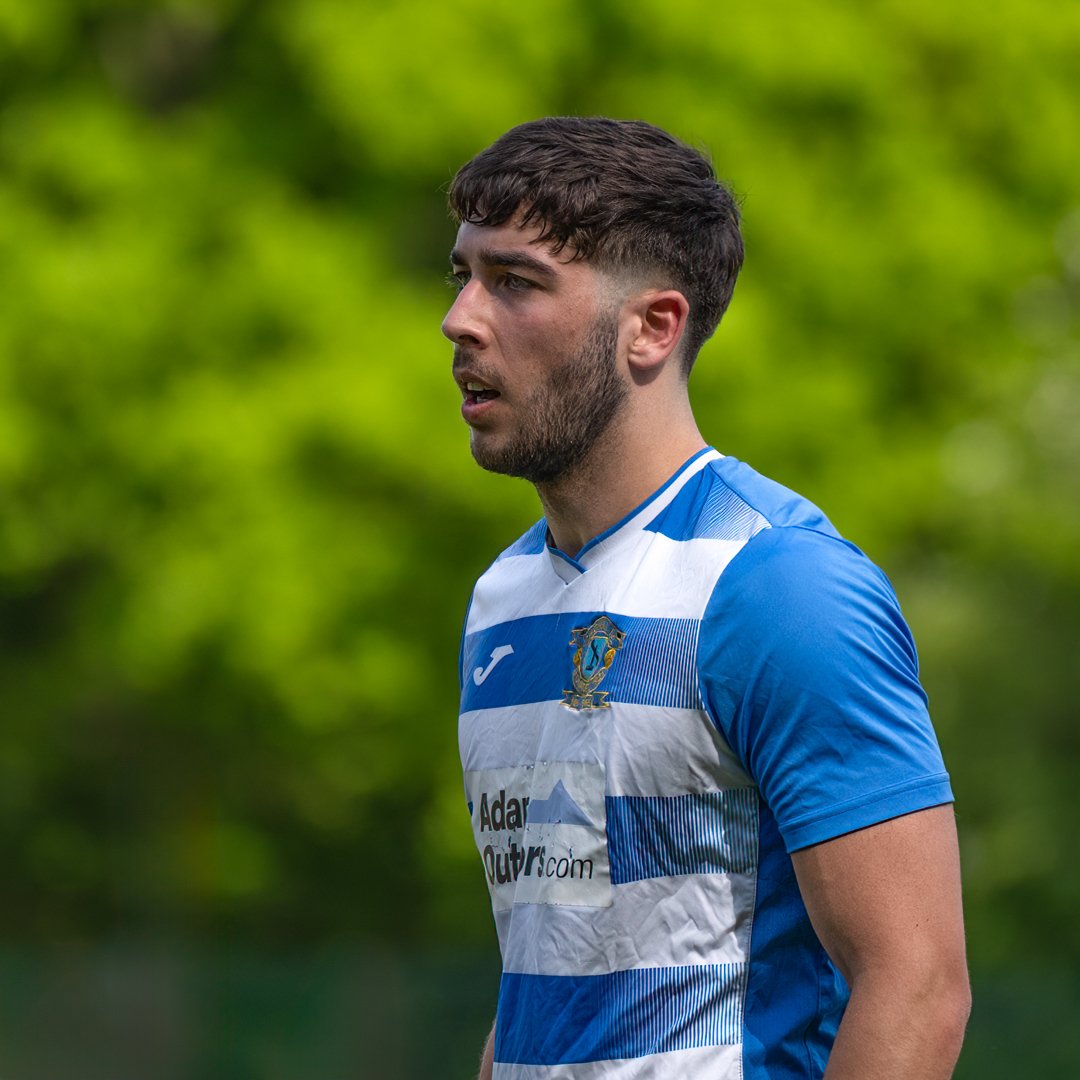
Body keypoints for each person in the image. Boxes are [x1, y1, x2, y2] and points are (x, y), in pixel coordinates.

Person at [443, 117, 970, 1080]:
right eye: (463, 275)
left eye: (515, 282)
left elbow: (919, 984)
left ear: (653, 327)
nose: (461, 319)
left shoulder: (778, 587)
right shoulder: (503, 599)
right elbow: (547, 971)